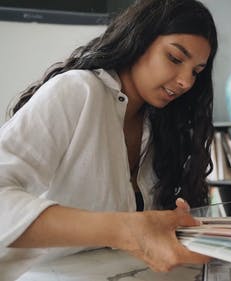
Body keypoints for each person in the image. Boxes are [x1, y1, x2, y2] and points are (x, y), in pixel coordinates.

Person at [0, 0, 218, 279]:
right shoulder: (78, 91)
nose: (186, 82)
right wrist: (126, 229)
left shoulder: (161, 127)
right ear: (139, 40)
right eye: (175, 58)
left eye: (196, 72)